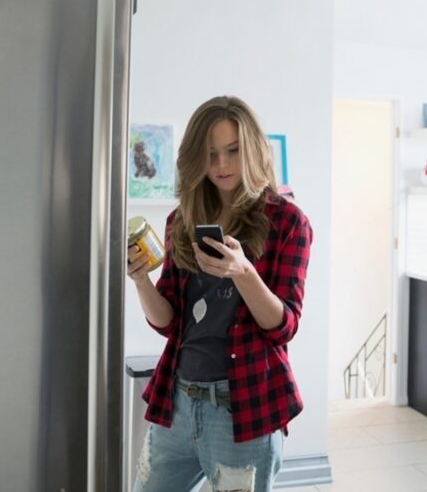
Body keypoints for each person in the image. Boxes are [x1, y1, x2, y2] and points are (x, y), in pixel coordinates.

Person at [127, 95, 313, 492]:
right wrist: (141, 280)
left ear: (254, 150)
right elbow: (168, 323)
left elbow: (283, 327)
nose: (222, 165)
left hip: (242, 409)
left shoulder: (287, 222)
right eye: (210, 155)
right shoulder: (181, 220)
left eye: (233, 151)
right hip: (176, 403)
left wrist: (243, 272)